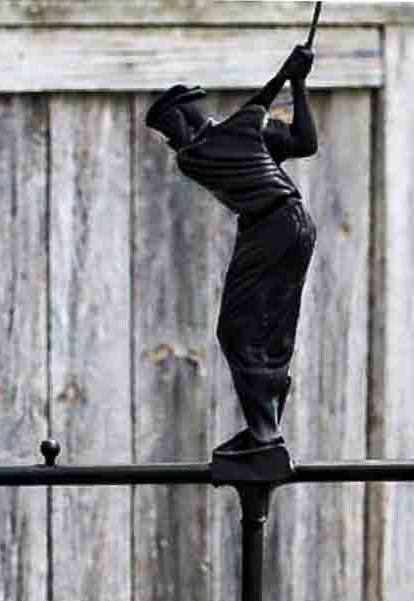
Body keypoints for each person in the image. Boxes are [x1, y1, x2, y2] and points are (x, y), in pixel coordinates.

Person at [146, 45, 318, 462]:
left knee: (241, 331)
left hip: (277, 226)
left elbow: (304, 141)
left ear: (185, 117)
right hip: (279, 227)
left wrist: (295, 82)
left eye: (169, 130)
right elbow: (252, 115)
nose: (171, 142)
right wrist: (287, 75)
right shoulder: (198, 155)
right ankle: (265, 428)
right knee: (256, 330)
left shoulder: (234, 135)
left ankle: (265, 433)